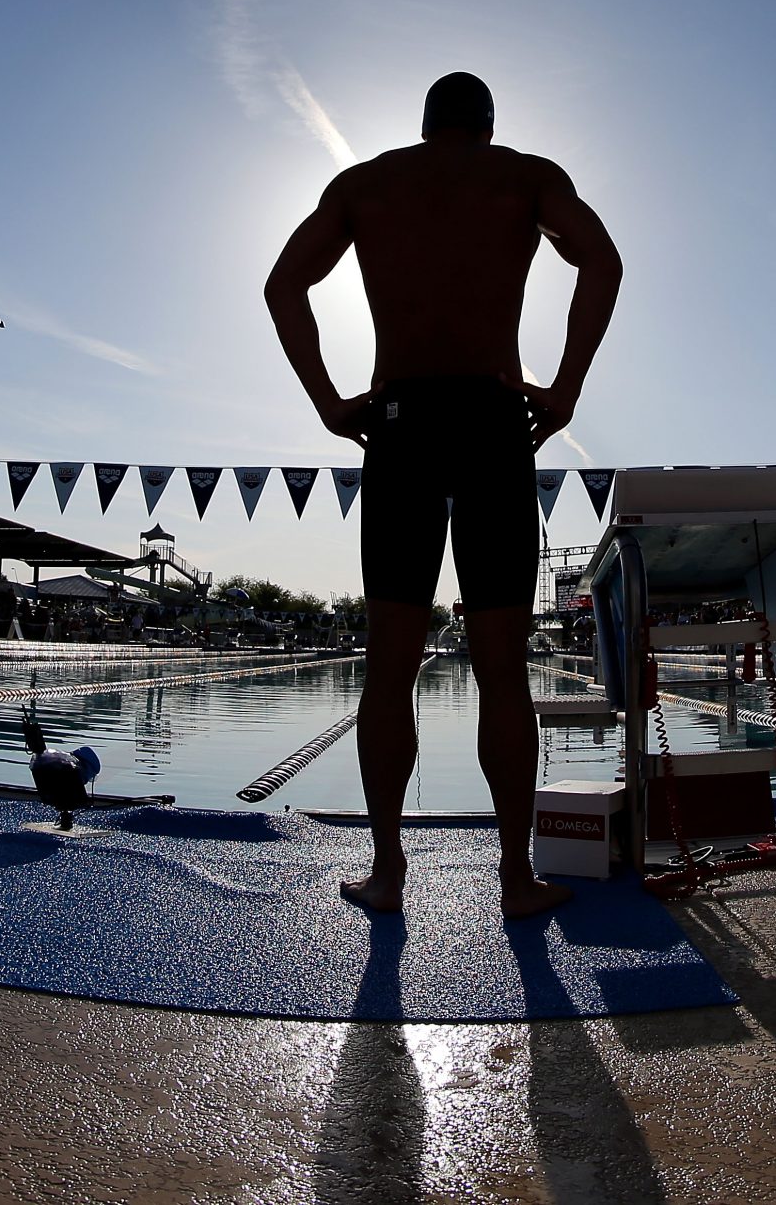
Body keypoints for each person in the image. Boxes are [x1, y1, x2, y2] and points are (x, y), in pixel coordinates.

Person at [265, 72, 621, 918]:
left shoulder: (364, 185)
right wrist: (565, 388)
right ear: (489, 126)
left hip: (401, 425)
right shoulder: (525, 176)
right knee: (503, 671)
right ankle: (514, 878)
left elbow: (284, 285)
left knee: (390, 667)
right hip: (496, 421)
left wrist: (327, 400)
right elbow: (601, 260)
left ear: (423, 125)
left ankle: (388, 874)